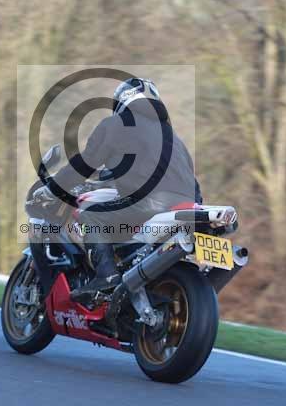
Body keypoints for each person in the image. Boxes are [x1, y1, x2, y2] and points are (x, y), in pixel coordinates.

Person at [35, 78, 201, 298]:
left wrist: (54, 188)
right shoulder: (172, 137)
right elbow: (189, 178)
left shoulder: (116, 125)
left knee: (91, 215)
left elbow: (85, 164)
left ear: (122, 100)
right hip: (188, 204)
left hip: (150, 202)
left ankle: (106, 276)